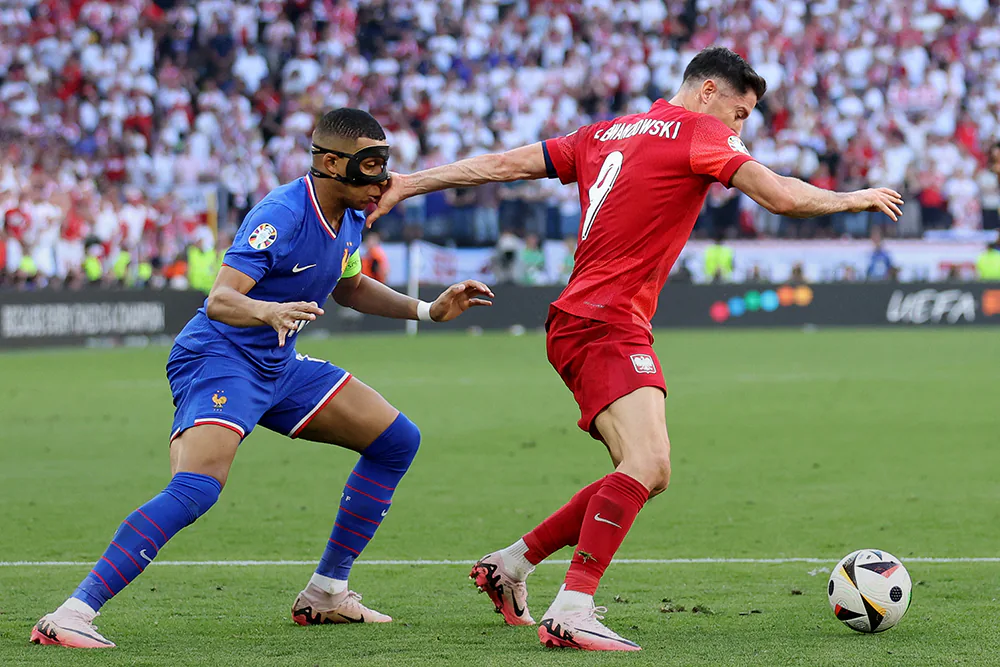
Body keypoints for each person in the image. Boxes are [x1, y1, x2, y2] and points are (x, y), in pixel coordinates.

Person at [367, 47, 903, 652]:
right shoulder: (699, 131)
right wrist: (851, 198)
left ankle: (512, 564)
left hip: (580, 319)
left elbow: (500, 165)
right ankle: (572, 608)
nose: (740, 127)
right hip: (607, 321)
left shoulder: (604, 133)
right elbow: (779, 195)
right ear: (708, 91)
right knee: (647, 465)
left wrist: (411, 183)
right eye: (741, 112)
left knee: (645, 469)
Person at [30, 108, 494, 650]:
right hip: (219, 357)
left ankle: (326, 593)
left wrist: (427, 310)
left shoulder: (350, 215)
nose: (382, 179)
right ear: (330, 163)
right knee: (197, 487)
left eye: (383, 163)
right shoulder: (282, 213)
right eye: (370, 165)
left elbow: (349, 287)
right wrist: (267, 311)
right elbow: (221, 299)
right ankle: (71, 613)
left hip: (277, 364)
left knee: (396, 440)